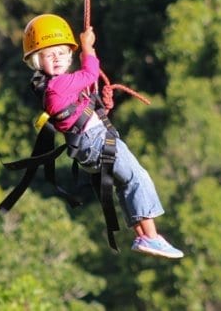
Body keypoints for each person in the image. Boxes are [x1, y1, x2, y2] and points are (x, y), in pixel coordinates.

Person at [22, 14, 183, 259]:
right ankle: (151, 237)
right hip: (95, 141)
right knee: (138, 177)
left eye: (61, 53)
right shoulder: (58, 85)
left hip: (92, 142)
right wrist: (87, 47)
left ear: (68, 55)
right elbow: (89, 73)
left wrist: (102, 106)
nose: (56, 59)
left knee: (126, 182)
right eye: (48, 55)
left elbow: (81, 106)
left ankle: (142, 235)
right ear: (37, 60)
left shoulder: (57, 86)